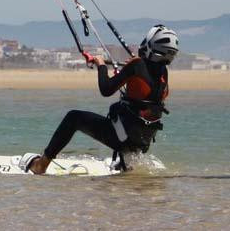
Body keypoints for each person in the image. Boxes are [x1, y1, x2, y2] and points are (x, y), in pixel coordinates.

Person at [19, 25, 179, 174]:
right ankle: (126, 165)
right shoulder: (163, 73)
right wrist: (128, 72)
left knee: (73, 117)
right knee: (128, 120)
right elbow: (145, 93)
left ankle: (41, 165)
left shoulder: (137, 65)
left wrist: (101, 65)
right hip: (140, 141)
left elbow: (106, 89)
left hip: (123, 137)